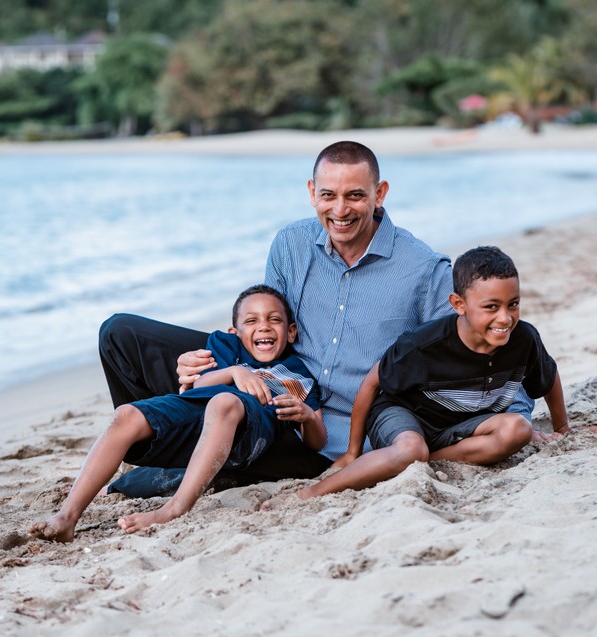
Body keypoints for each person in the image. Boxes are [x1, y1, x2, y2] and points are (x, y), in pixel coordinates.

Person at [98, 141, 534, 497]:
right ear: (312, 192)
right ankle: (162, 449)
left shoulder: (422, 268)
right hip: (273, 387)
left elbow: (480, 342)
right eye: (328, 195)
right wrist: (210, 357)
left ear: (379, 193)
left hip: (328, 434)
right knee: (121, 333)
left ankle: (198, 463)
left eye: (355, 196)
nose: (340, 210)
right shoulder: (290, 243)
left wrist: (518, 413)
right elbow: (265, 330)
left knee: (261, 429)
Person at [29, 284, 324, 542]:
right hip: (197, 409)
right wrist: (234, 372)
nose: (263, 326)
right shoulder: (224, 346)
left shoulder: (298, 373)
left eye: (274, 320)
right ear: (236, 332)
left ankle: (175, 508)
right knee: (126, 415)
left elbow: (317, 442)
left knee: (225, 403)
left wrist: (308, 417)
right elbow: (200, 383)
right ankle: (67, 517)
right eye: (251, 321)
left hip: (250, 428)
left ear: (291, 331)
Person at [293, 245, 569, 501]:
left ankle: (426, 458)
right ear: (459, 304)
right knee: (411, 449)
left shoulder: (523, 339)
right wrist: (353, 451)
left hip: (460, 424)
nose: (505, 318)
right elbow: (371, 383)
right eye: (491, 307)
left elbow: (548, 376)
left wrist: (562, 428)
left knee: (518, 429)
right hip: (403, 413)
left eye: (513, 304)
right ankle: (313, 492)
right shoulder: (424, 345)